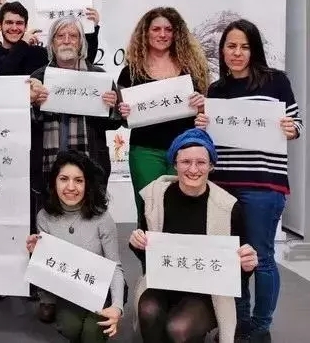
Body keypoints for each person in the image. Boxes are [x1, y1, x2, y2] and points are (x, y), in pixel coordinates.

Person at [194, 19, 303, 341]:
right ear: (222, 50)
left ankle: (261, 325)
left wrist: (292, 129)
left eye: (244, 46)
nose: (237, 53)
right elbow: (211, 141)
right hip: (224, 186)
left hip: (264, 186)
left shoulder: (276, 82)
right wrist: (202, 125)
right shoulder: (217, 90)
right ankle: (239, 321)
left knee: (262, 258)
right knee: (232, 258)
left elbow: (296, 123)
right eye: (231, 46)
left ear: (254, 50)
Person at [27, 16, 121, 323]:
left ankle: (92, 289)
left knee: (89, 228)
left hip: (89, 167)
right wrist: (33, 104)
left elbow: (115, 121)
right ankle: (48, 295)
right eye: (60, 36)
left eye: (73, 36)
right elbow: (23, 122)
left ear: (82, 42)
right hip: (48, 166)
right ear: (51, 43)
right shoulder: (38, 77)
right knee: (48, 230)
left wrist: (112, 106)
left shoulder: (99, 77)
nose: (67, 41)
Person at [129, 128, 258, 343]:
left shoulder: (228, 206)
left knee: (178, 327)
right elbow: (149, 256)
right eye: (185, 162)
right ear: (174, 164)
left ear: (211, 166)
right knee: (149, 309)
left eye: (201, 162)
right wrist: (137, 244)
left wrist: (247, 265)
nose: (193, 169)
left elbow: (236, 269)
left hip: (207, 291)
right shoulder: (154, 197)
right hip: (165, 281)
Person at [117, 7, 209, 219]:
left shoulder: (192, 68)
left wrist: (202, 104)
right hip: (145, 151)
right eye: (156, 29)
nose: (162, 34)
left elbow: (206, 112)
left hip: (187, 150)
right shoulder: (130, 72)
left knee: (183, 209)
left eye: (168, 29)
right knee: (149, 209)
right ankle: (146, 243)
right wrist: (123, 112)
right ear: (145, 33)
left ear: (177, 33)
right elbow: (121, 119)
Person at [26, 151, 124, 342]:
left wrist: (117, 306)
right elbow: (50, 270)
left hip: (101, 288)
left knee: (92, 333)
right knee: (69, 328)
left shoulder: (102, 218)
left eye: (78, 180)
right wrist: (37, 254)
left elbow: (116, 267)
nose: (71, 187)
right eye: (64, 179)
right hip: (71, 289)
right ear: (54, 182)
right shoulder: (44, 217)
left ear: (87, 184)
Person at [0, 1, 102, 75]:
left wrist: (92, 28)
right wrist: (22, 44)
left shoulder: (40, 53)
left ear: (26, 26)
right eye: (9, 22)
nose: (14, 27)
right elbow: (0, 74)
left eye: (19, 23)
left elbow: (78, 63)